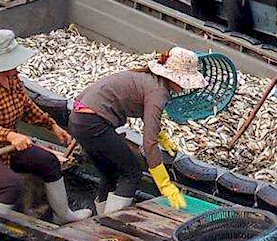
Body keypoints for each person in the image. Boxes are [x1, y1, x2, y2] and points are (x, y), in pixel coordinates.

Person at [0, 29, 87, 224]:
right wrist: (11, 136)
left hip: (8, 148)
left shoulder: (14, 82)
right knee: (11, 184)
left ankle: (64, 215)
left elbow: (28, 108)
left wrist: (52, 126)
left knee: (49, 161)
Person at [68, 46, 206, 216]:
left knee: (109, 172)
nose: (185, 87)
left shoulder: (147, 78)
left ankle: (99, 218)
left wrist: (161, 136)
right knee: (131, 173)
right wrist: (165, 184)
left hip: (78, 119)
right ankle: (110, 224)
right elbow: (149, 144)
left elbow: (147, 116)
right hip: (93, 123)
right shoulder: (158, 92)